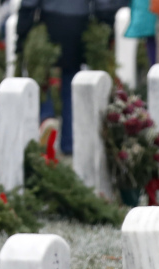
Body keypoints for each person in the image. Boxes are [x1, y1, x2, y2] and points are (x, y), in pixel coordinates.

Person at [16, 0, 128, 155]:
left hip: (49, 22)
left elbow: (28, 4)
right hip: (79, 24)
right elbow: (103, 5)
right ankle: (68, 142)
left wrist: (22, 35)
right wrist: (105, 30)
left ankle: (46, 117)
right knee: (71, 81)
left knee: (41, 75)